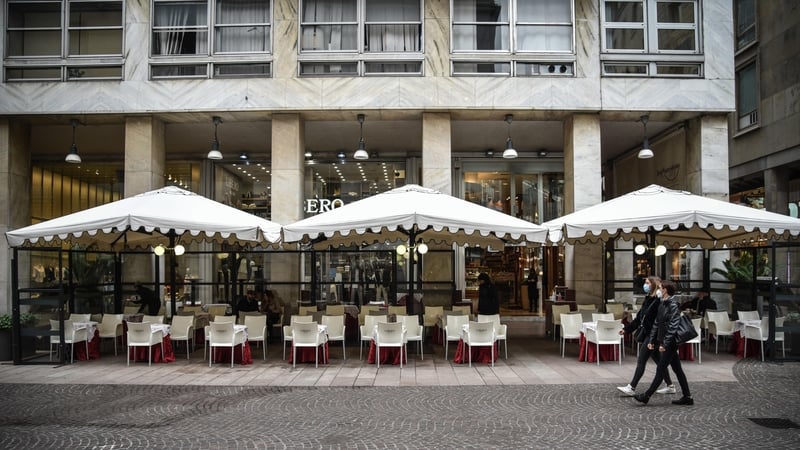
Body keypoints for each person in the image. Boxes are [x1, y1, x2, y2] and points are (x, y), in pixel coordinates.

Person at [634, 280, 694, 406]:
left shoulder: (673, 305)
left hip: (670, 343)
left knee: (661, 368)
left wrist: (664, 344)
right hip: (664, 341)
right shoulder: (663, 303)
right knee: (677, 369)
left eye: (660, 288)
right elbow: (657, 324)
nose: (658, 290)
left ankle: (647, 395)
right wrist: (652, 340)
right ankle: (687, 396)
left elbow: (673, 327)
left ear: (665, 290)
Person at [617, 276, 676, 397]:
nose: (645, 285)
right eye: (645, 282)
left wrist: (656, 338)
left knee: (642, 360)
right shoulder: (648, 299)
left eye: (647, 283)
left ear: (653, 285)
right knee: (659, 361)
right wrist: (626, 329)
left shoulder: (658, 301)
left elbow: (659, 321)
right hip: (649, 334)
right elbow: (640, 318)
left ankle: (632, 387)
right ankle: (670, 385)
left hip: (653, 335)